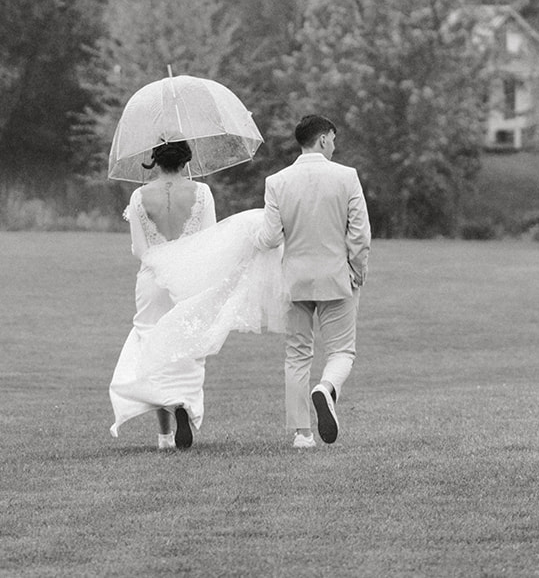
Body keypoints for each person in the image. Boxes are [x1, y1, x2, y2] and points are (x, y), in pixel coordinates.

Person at [108, 140, 286, 450]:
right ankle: (183, 406)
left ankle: (164, 437)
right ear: (186, 159)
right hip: (191, 281)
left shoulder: (139, 197)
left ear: (155, 161)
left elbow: (139, 250)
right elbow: (212, 241)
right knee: (186, 345)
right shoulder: (202, 193)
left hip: (152, 283)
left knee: (153, 344)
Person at [256, 114, 371, 449]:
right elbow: (360, 233)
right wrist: (358, 270)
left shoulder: (277, 181)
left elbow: (270, 237)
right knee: (342, 351)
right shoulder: (346, 177)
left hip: (294, 280)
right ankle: (326, 389)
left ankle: (302, 434)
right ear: (322, 139)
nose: (334, 146)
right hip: (337, 277)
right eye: (333, 139)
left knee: (296, 355)